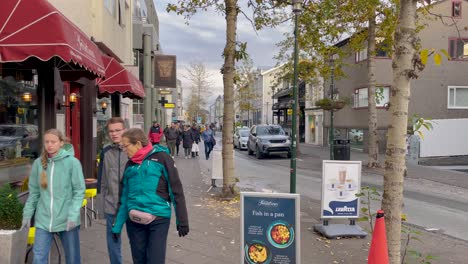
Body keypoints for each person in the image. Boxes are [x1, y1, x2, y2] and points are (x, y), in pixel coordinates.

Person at [112, 128, 189, 264]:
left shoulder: (162, 158)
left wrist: (182, 221)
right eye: (122, 146)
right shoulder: (130, 165)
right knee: (139, 260)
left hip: (158, 219)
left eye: (125, 146)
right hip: (134, 220)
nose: (123, 149)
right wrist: (117, 226)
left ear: (137, 144)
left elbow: (176, 190)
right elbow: (124, 198)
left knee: (155, 260)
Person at [22, 129, 85, 264]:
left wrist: (73, 215)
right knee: (38, 257)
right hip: (43, 219)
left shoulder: (72, 163)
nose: (49, 145)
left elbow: (79, 191)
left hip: (66, 218)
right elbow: (34, 192)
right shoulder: (38, 164)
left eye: (53, 142)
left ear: (61, 143)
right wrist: (27, 214)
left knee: (72, 258)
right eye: (46, 142)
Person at [97, 117, 128, 264]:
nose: (114, 134)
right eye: (111, 131)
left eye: (118, 130)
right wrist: (100, 207)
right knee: (113, 241)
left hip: (131, 205)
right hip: (112, 205)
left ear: (125, 130)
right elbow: (102, 181)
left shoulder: (133, 150)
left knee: (138, 242)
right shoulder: (106, 152)